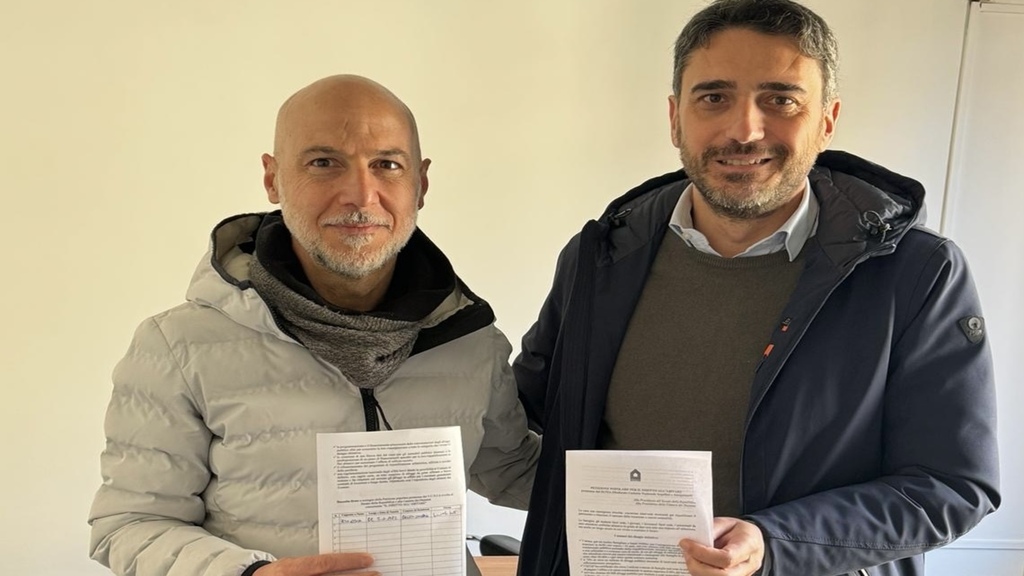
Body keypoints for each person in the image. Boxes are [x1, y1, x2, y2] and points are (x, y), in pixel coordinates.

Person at [513, 1, 1000, 575]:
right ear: (675, 118)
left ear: (827, 121)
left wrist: (774, 543)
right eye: (714, 97)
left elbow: (951, 486)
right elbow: (528, 415)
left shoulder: (916, 273)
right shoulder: (599, 259)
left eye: (781, 100)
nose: (744, 130)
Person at [88, 75, 538, 576]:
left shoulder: (472, 343)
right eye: (324, 163)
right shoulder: (178, 347)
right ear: (273, 179)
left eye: (387, 165)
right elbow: (131, 523)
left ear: (421, 184)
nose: (360, 195)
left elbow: (510, 468)